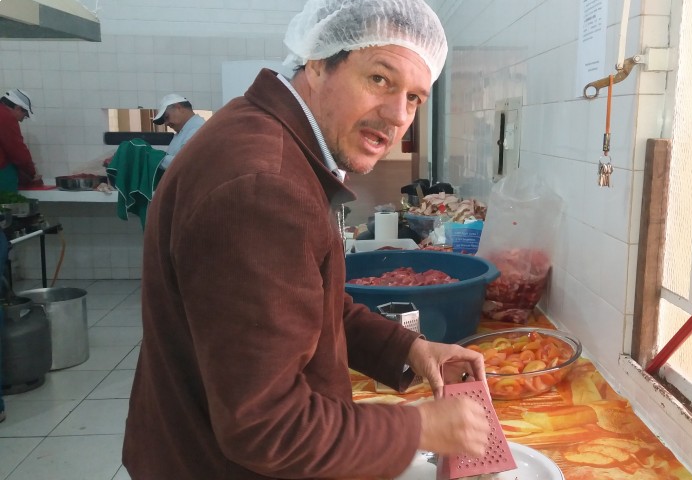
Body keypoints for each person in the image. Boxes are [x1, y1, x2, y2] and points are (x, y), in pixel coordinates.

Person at [122, 1, 491, 479]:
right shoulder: (266, 185)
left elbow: (310, 305)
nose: (398, 115)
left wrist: (408, 350)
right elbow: (267, 426)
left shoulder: (263, 132)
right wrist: (419, 427)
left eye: (415, 97)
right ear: (317, 62)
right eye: (379, 79)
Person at [151, 93, 205, 170]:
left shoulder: (198, 129)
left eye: (167, 117)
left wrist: (152, 157)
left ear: (179, 108)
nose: (166, 123)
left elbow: (182, 163)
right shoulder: (183, 131)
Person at [0, 89, 40, 191]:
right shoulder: (6, 117)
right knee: (7, 200)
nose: (22, 120)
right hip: (2, 173)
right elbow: (17, 151)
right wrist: (31, 172)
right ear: (18, 108)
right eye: (25, 115)